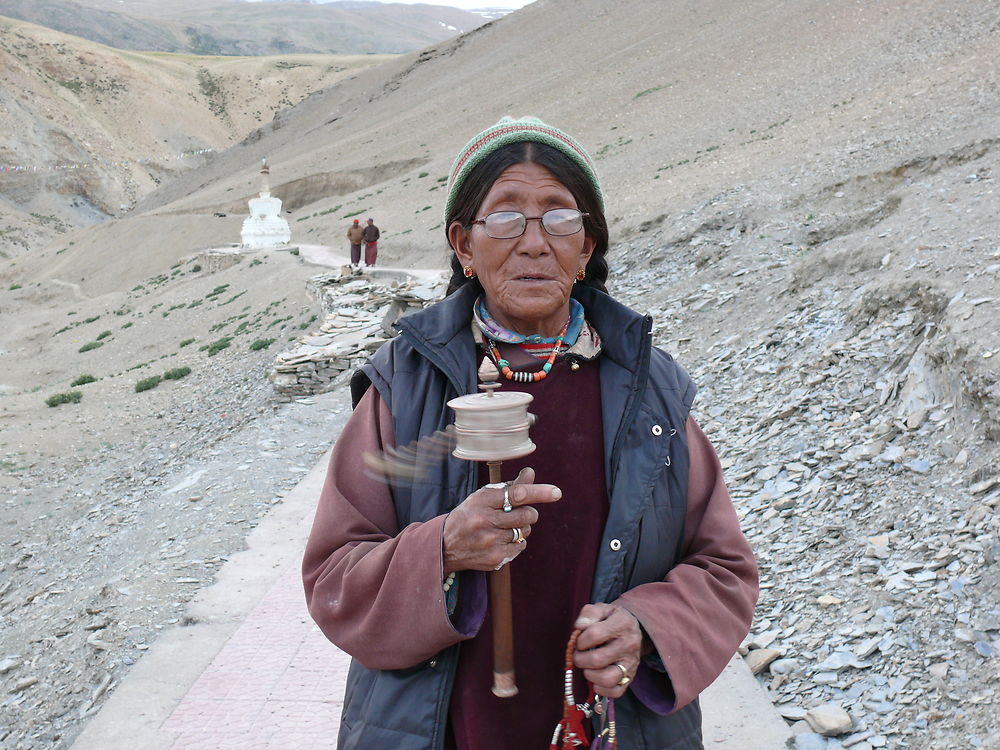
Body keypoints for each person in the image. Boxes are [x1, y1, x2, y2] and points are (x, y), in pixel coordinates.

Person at [302, 116, 758, 750]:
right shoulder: (403, 389)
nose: (535, 242)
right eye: (506, 218)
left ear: (588, 245)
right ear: (464, 244)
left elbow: (724, 569)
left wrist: (646, 627)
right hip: (443, 730)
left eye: (559, 218)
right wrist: (443, 550)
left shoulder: (651, 388)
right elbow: (334, 576)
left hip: (617, 729)